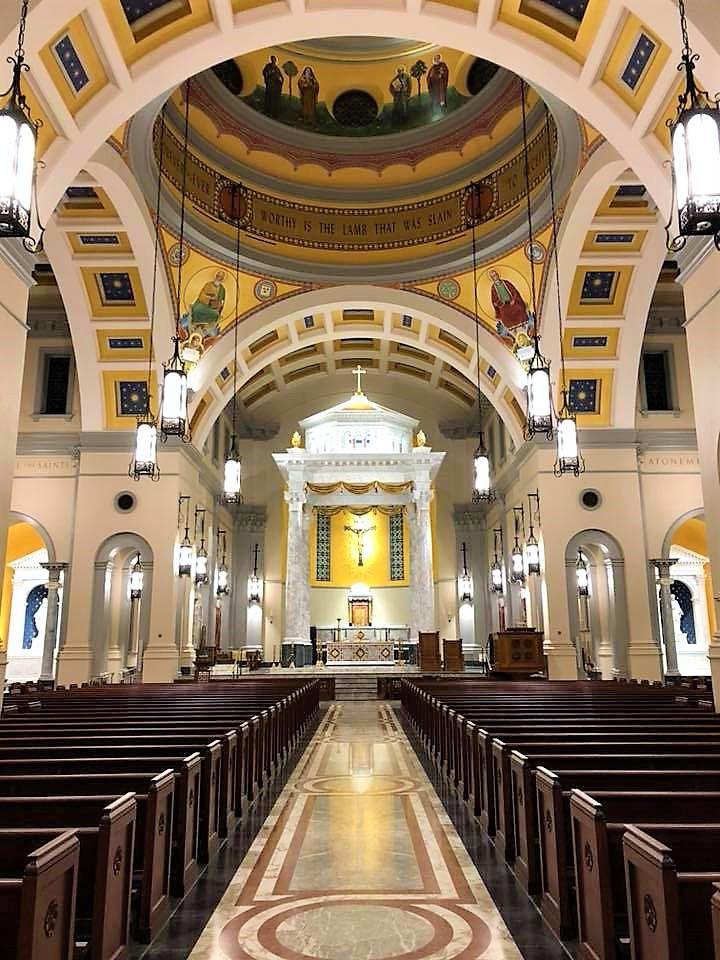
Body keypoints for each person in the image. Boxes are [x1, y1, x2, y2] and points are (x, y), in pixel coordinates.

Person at [181, 270, 227, 343]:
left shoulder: (222, 289)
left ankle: (205, 326)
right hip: (202, 304)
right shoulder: (208, 284)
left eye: (221, 277)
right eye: (218, 276)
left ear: (222, 279)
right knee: (196, 309)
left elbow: (221, 301)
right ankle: (194, 323)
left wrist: (218, 304)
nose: (219, 278)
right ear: (216, 276)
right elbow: (201, 296)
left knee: (215, 314)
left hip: (212, 307)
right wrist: (209, 298)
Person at [488, 269, 532, 339]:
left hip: (512, 302)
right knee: (504, 315)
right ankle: (513, 328)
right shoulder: (493, 288)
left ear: (498, 275)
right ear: (492, 278)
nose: (495, 276)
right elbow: (494, 300)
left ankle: (523, 323)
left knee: (519, 308)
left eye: (495, 274)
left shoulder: (506, 283)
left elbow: (514, 291)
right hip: (503, 305)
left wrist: (513, 300)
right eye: (493, 276)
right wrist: (500, 303)